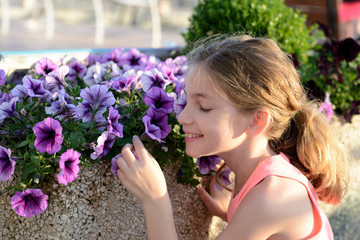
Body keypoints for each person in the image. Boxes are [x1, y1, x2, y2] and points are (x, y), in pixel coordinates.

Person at [115, 35, 350, 239]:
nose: (183, 117)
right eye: (186, 101)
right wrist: (234, 215)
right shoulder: (261, 177)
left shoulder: (273, 195)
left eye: (204, 107)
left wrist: (155, 199)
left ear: (257, 120)